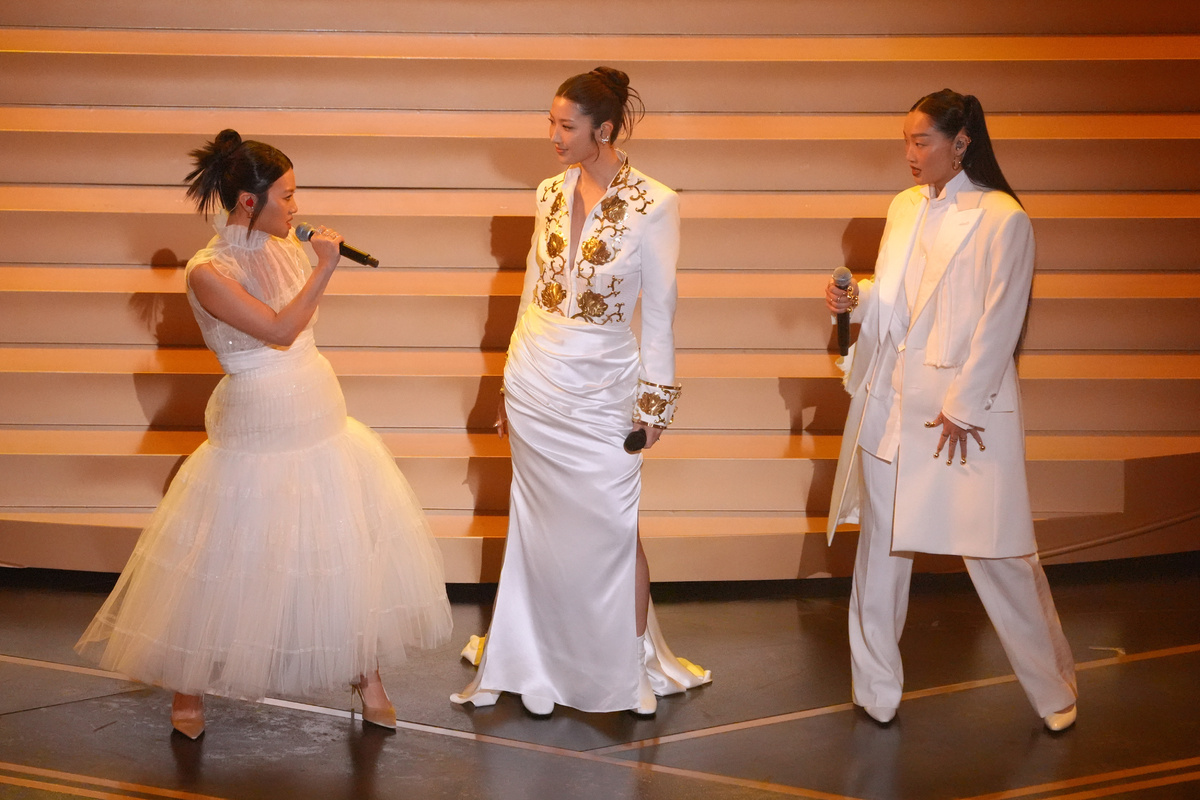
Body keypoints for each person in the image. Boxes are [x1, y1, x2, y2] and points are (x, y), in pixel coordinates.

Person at [75, 130, 453, 738]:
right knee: (226, 553)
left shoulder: (284, 247)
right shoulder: (208, 271)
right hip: (255, 422)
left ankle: (367, 675)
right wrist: (325, 268)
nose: (297, 208)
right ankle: (188, 688)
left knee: (343, 547)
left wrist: (314, 262)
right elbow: (278, 330)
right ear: (249, 201)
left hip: (318, 413)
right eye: (288, 196)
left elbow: (298, 329)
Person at [451, 67, 711, 717]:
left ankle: (624, 666)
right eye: (551, 122)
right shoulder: (547, 191)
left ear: (605, 130)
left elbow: (661, 312)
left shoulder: (656, 203)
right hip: (536, 378)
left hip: (603, 389)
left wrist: (655, 406)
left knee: (614, 528)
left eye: (566, 126)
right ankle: (538, 659)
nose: (553, 136)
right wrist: (507, 384)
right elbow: (530, 289)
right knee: (539, 528)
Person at [825, 89, 1078, 731]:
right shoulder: (904, 206)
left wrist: (963, 407)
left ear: (960, 143)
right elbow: (903, 298)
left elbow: (1000, 320)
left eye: (922, 141)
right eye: (906, 141)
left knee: (999, 556)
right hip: (891, 404)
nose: (910, 154)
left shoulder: (1002, 218)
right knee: (880, 553)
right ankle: (875, 688)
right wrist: (856, 298)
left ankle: (1055, 691)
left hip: (960, 419)